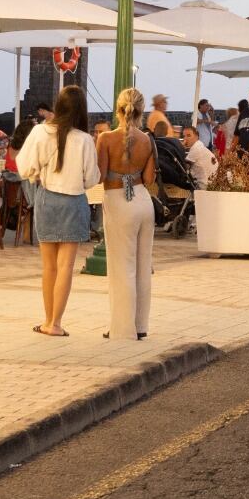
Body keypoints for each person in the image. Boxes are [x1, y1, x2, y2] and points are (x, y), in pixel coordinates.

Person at [18, 85, 99, 339]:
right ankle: (56, 322)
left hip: (47, 200)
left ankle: (47, 320)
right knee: (66, 267)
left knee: (48, 267)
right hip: (74, 201)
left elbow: (24, 167)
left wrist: (38, 176)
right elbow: (92, 178)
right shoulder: (84, 139)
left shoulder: (39, 132)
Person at [97, 88, 156, 340]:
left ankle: (122, 330)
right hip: (143, 201)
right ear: (142, 111)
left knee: (122, 267)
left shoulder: (106, 139)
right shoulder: (147, 140)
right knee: (143, 266)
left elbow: (99, 175)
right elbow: (149, 178)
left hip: (118, 201)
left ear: (118, 108)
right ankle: (140, 326)